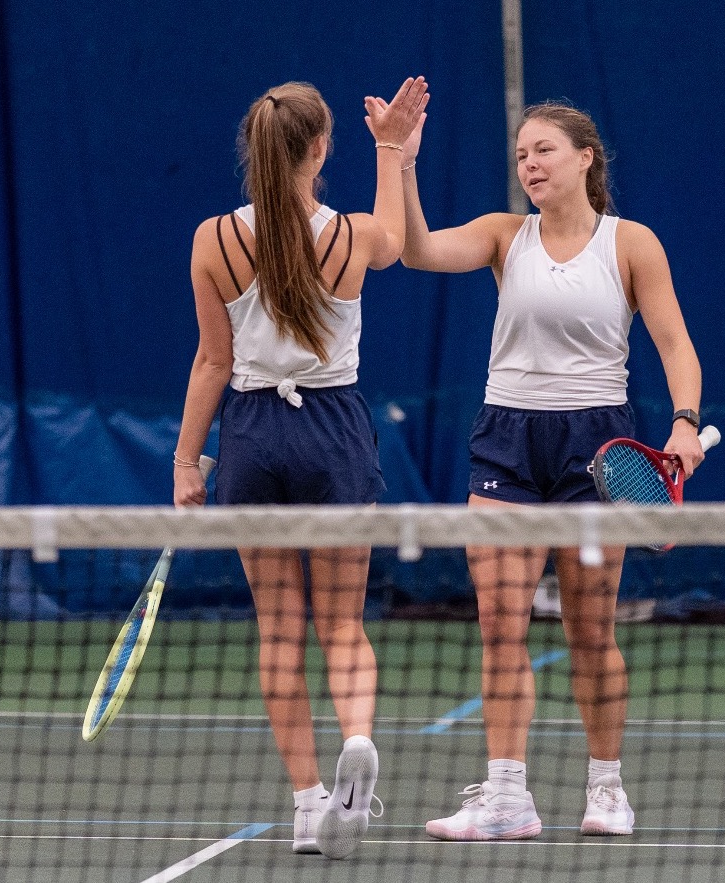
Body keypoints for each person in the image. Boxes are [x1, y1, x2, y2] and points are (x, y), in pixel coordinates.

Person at [396, 99, 705, 840]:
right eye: (522, 155)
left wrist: (685, 423)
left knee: (590, 631)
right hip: (506, 441)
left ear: (585, 157)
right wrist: (402, 165)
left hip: (595, 448)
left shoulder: (632, 244)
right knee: (499, 625)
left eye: (544, 151)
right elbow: (417, 251)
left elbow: (675, 343)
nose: (530, 165)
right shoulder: (505, 236)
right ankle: (508, 797)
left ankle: (607, 790)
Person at [170, 77, 428, 860]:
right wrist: (391, 145)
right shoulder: (353, 237)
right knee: (343, 624)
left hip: (252, 437)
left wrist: (187, 462)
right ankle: (357, 739)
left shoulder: (213, 239)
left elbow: (213, 361)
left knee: (279, 630)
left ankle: (309, 804)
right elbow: (397, 235)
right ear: (320, 149)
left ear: (254, 150)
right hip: (335, 435)